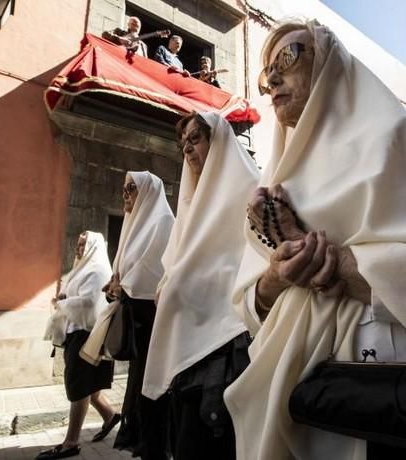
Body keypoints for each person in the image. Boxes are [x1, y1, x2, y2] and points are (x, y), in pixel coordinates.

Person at [224, 19, 406, 460]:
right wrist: (277, 275)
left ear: (327, 64)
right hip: (300, 392)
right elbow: (253, 303)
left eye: (288, 57)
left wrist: (338, 264)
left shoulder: (391, 140)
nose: (274, 80)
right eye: (267, 73)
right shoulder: (273, 183)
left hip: (391, 388)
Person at [142, 112, 260, 460]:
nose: (188, 149)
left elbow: (251, 265)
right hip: (186, 350)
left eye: (196, 139)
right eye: (183, 144)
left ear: (218, 141)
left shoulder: (250, 190)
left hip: (229, 349)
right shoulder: (192, 208)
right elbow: (176, 264)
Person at [80, 172, 174, 459]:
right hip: (136, 325)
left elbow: (158, 273)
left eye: (131, 188)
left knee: (154, 395)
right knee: (138, 393)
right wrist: (115, 284)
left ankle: (156, 448)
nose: (125, 194)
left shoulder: (163, 223)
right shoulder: (132, 227)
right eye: (124, 189)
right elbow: (125, 271)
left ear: (148, 191)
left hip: (154, 326)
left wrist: (126, 286)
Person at [38, 232, 116, 460]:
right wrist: (66, 296)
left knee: (79, 387)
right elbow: (79, 297)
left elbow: (89, 303)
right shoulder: (82, 269)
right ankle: (111, 417)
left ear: (93, 247)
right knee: (88, 388)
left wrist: (63, 302)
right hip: (76, 333)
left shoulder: (96, 270)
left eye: (83, 245)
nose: (78, 249)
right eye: (78, 244)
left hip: (86, 335)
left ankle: (71, 442)